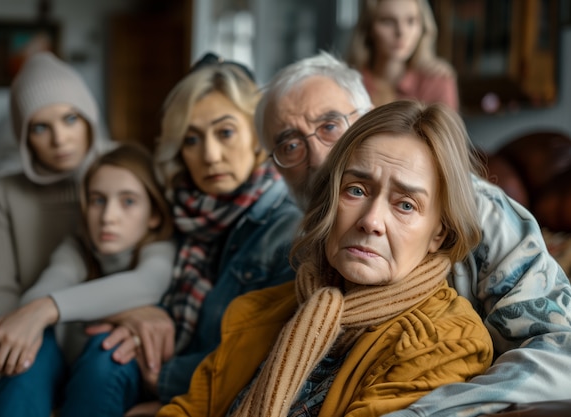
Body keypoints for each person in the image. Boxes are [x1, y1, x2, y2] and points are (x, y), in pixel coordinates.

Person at [255, 52, 571, 416]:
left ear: (366, 117)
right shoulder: (299, 244)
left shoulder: (482, 212)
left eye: (329, 126)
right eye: (290, 144)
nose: (317, 156)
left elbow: (559, 350)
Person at [158, 100, 494, 417]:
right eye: (356, 190)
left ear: (439, 233)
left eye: (405, 204)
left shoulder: (445, 340)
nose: (371, 221)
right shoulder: (265, 308)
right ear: (329, 202)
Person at [69, 53, 303, 415]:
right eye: (192, 140)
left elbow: (263, 360)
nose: (210, 155)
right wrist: (137, 313)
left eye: (225, 133)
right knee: (104, 349)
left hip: (207, 389)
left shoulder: (284, 232)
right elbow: (129, 281)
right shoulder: (176, 209)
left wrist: (161, 384)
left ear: (258, 137)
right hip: (160, 360)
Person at [0, 51, 115, 417]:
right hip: (31, 332)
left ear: (89, 117)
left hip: (106, 326)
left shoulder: (123, 171)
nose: (60, 138)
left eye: (70, 119)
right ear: (24, 135)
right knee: (26, 366)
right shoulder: (9, 191)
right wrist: (29, 328)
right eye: (41, 127)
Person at [0, 143, 176, 416]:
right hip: (60, 369)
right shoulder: (77, 248)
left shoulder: (160, 249)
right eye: (98, 200)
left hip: (111, 375)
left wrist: (45, 310)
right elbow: (36, 298)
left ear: (154, 214)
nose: (108, 217)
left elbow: (146, 283)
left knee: (108, 348)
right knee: (34, 347)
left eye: (128, 201)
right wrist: (36, 314)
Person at [347, 0, 459, 110]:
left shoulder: (437, 81)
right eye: (388, 21)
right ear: (368, 28)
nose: (401, 32)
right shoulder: (348, 83)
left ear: (423, 27)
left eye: (411, 21)